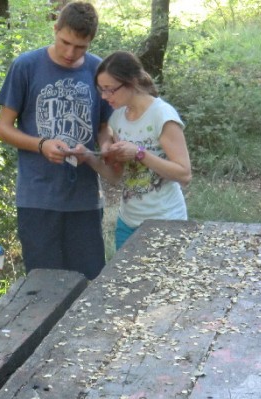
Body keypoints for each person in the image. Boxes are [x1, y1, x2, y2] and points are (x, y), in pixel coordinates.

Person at [0, 1, 114, 280]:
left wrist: (106, 147)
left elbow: (104, 126)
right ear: (55, 29)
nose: (71, 53)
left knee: (88, 287)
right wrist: (41, 144)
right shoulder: (26, 66)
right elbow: (3, 128)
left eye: (80, 47)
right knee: (43, 288)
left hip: (84, 200)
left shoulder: (99, 71)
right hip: (38, 198)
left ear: (91, 42)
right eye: (65, 42)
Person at [81, 50, 191, 250]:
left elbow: (184, 174)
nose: (104, 97)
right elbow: (117, 178)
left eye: (110, 89)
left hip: (165, 222)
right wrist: (89, 157)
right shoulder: (118, 118)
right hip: (127, 223)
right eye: (101, 90)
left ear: (131, 82)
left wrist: (140, 153)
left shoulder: (162, 115)